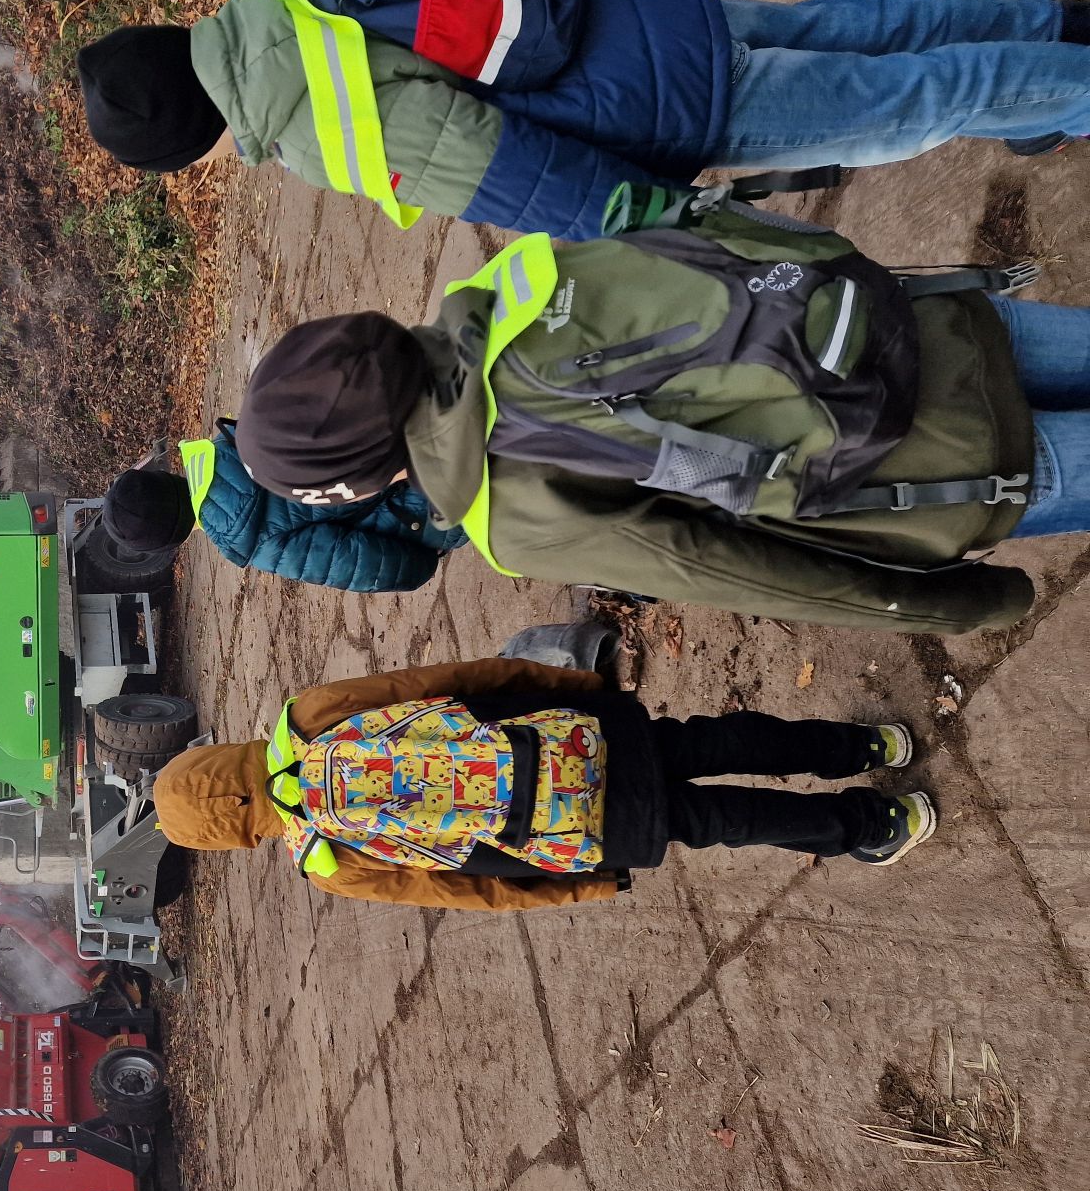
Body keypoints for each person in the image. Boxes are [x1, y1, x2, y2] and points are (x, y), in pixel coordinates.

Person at [226, 194, 1090, 634]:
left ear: (360, 480)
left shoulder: (507, 510)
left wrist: (956, 604)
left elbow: (727, 567)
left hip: (939, 465)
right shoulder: (498, 288)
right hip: (931, 323)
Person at [73, 0, 1090, 239]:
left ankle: (1067, 86)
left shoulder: (309, 123)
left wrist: (653, 212)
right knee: (866, 24)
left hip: (663, 101)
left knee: (916, 102)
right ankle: (1057, 28)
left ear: (191, 138)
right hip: (650, 10)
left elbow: (510, 174)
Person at [151, 659, 933, 913]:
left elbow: (460, 890)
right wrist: (567, 684)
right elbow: (451, 680)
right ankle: (862, 743)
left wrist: (578, 888)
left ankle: (875, 824)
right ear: (218, 754)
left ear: (231, 837)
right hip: (560, 734)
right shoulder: (307, 717)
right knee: (707, 740)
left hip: (564, 827)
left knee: (721, 819)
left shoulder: (325, 863)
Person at [101, 424, 463, 593]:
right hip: (421, 430)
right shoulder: (234, 437)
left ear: (172, 538)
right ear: (165, 477)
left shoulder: (250, 539)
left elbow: (362, 565)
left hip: (434, 501)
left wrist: (424, 564)